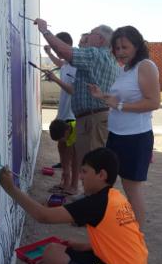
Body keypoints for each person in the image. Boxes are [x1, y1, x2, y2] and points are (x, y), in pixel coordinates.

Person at [0, 148, 148, 264]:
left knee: (52, 253)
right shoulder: (117, 198)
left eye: (85, 172)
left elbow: (43, 216)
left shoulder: (94, 204)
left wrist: (10, 188)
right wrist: (84, 246)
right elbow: (120, 242)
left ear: (101, 175)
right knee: (80, 254)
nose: (81, 177)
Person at [87, 26, 161, 225]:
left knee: (132, 189)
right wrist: (102, 96)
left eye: (124, 47)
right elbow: (120, 100)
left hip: (135, 137)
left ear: (137, 46)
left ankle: (136, 239)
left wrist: (118, 104)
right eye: (117, 48)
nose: (120, 52)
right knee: (106, 181)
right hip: (115, 134)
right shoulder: (125, 69)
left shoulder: (145, 66)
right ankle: (112, 225)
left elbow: (153, 102)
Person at [35, 19, 119, 191]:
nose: (87, 38)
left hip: (92, 119)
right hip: (93, 117)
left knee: (91, 165)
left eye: (90, 35)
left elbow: (63, 50)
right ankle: (90, 199)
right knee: (89, 163)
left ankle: (92, 203)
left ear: (101, 40)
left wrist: (44, 30)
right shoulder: (106, 58)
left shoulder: (95, 55)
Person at [44, 32, 78, 173]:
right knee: (61, 146)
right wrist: (49, 52)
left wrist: (55, 79)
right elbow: (60, 63)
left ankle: (69, 180)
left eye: (56, 47)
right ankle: (64, 171)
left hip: (71, 115)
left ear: (66, 45)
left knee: (70, 150)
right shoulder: (66, 64)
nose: (56, 51)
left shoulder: (76, 66)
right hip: (63, 113)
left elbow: (73, 91)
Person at [48, 119, 78, 195]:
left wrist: (66, 171)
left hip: (79, 140)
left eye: (61, 139)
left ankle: (74, 187)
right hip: (69, 135)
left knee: (75, 163)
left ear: (67, 131)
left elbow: (70, 157)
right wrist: (63, 166)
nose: (60, 141)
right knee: (61, 147)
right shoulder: (64, 129)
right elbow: (62, 154)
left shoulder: (76, 129)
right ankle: (65, 184)